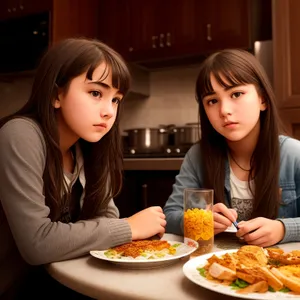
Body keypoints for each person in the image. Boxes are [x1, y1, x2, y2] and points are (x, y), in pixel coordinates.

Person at [0, 38, 166, 299]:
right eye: (96, 93)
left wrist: (104, 229)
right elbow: (38, 243)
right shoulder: (20, 134)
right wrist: (130, 227)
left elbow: (105, 218)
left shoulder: (88, 149)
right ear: (57, 95)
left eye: (116, 100)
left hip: (58, 281)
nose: (109, 111)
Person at [164, 48, 300, 248]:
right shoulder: (198, 156)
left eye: (236, 94)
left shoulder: (293, 154)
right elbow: (170, 214)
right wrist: (200, 219)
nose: (224, 110)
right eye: (212, 101)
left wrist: (282, 229)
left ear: (262, 99)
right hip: (214, 267)